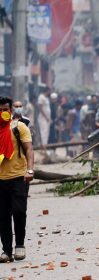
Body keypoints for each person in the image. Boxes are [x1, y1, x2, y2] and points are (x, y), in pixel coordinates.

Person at [0, 96, 34, 262]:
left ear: (10, 111)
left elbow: (29, 150)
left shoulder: (19, 127)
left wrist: (30, 170)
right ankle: (6, 250)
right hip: (1, 179)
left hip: (19, 177)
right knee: (3, 216)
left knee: (19, 212)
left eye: (5, 110)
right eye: (0, 110)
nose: (2, 113)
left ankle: (19, 245)